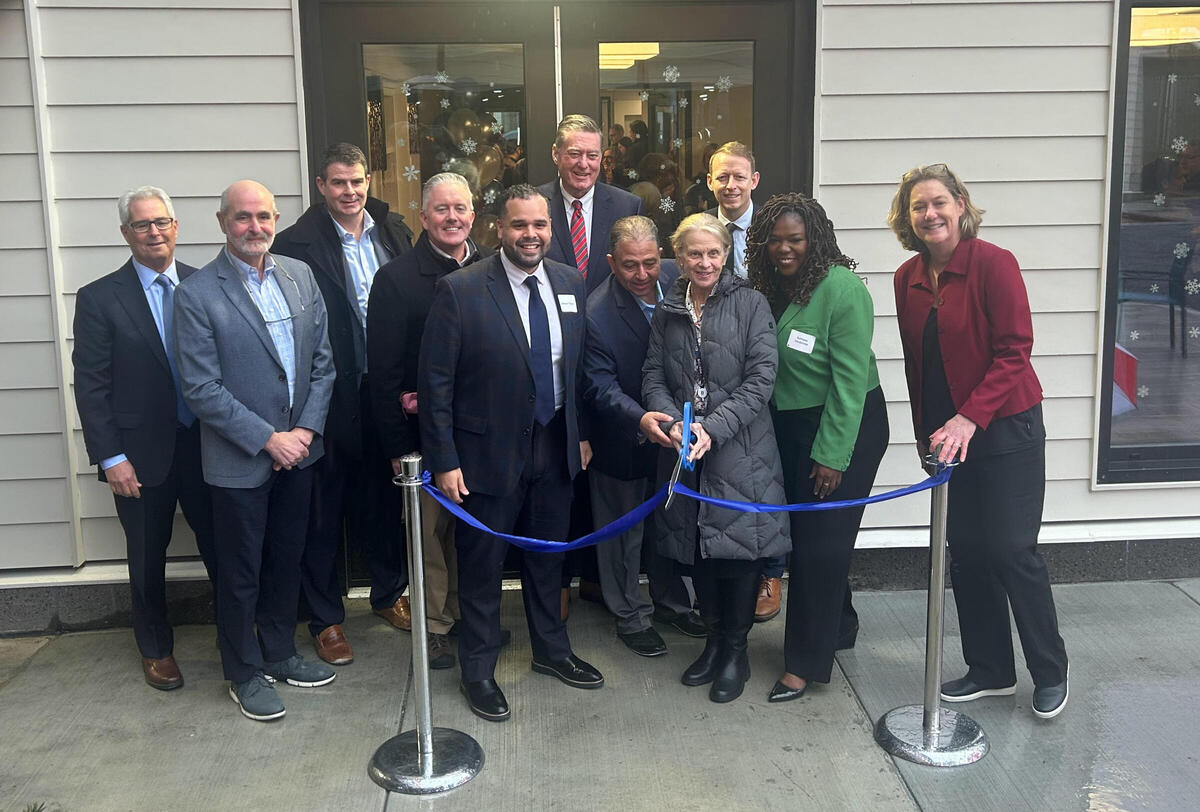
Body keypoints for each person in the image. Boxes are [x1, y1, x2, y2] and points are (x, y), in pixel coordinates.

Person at [888, 163, 1069, 719]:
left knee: (1012, 551)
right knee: (965, 552)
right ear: (907, 217)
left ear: (961, 205)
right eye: (919, 207)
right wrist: (929, 437)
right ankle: (990, 668)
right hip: (949, 438)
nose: (930, 214)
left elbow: (1016, 351)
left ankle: (1050, 670)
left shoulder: (995, 264)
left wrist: (969, 418)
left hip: (1007, 429)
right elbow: (917, 366)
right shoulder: (906, 278)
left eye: (939, 202)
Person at [419, 185, 603, 722]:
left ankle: (552, 649)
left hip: (555, 448)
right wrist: (446, 460)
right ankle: (477, 668)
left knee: (550, 558)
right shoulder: (460, 290)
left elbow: (580, 370)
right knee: (482, 567)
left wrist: (582, 433)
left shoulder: (569, 281)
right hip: (485, 456)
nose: (531, 236)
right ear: (499, 229)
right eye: (520, 226)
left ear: (552, 229)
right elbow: (435, 385)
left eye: (540, 226)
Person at [175, 180, 337, 722]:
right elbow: (201, 389)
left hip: (301, 454)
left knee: (286, 559)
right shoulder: (197, 294)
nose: (255, 227)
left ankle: (280, 651)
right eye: (243, 217)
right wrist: (270, 439)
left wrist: (305, 433)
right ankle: (243, 671)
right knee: (240, 571)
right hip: (240, 460)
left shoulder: (300, 275)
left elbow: (323, 363)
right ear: (223, 223)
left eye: (264, 216)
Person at [272, 143, 415, 666]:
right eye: (338, 183)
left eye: (356, 181)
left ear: (369, 180)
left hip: (384, 391)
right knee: (322, 511)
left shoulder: (394, 231)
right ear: (320, 186)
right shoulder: (294, 244)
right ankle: (326, 618)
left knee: (384, 501)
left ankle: (387, 594)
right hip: (326, 395)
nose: (349, 191)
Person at [72, 186, 216, 692]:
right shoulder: (99, 298)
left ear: (176, 227)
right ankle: (155, 648)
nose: (154, 232)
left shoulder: (206, 285)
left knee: (223, 546)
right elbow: (91, 385)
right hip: (139, 456)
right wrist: (111, 457)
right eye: (142, 225)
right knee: (146, 554)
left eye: (162, 222)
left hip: (208, 446)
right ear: (125, 234)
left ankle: (238, 636)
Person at [745, 193, 889, 702]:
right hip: (790, 424)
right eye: (774, 240)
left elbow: (850, 386)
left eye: (796, 239)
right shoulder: (767, 288)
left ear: (817, 239)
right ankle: (839, 624)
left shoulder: (843, 289)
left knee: (818, 545)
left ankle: (804, 662)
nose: (784, 249)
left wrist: (832, 455)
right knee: (815, 533)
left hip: (844, 425)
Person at [642, 213, 790, 703]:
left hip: (742, 450)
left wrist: (712, 428)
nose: (703, 262)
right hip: (687, 450)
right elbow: (652, 378)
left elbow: (761, 381)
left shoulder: (751, 303)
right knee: (699, 550)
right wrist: (674, 423)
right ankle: (712, 643)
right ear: (678, 257)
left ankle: (736, 652)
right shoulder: (668, 308)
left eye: (713, 252)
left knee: (740, 554)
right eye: (693, 253)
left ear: (726, 254)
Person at [367, 173, 489, 670]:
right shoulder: (395, 280)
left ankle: (464, 615)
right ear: (423, 217)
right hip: (422, 441)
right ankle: (434, 626)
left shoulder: (491, 269)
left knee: (470, 536)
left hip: (481, 436)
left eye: (460, 208)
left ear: (474, 215)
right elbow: (384, 374)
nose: (452, 218)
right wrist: (398, 448)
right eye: (441, 210)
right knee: (428, 539)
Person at [582, 215, 706, 657]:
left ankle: (671, 602)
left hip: (677, 438)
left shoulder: (678, 277)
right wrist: (640, 419)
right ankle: (629, 616)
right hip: (625, 439)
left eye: (650, 263)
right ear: (612, 263)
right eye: (630, 265)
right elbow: (599, 386)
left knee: (670, 524)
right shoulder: (596, 312)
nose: (642, 275)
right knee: (623, 535)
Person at [539, 114, 644, 292]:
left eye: (592, 155)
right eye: (575, 154)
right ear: (556, 154)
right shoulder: (534, 205)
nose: (584, 164)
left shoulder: (627, 207)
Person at [705, 141, 760, 279]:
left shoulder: (770, 226)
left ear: (754, 181)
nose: (731, 185)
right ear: (710, 182)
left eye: (739, 177)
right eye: (722, 177)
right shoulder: (700, 227)